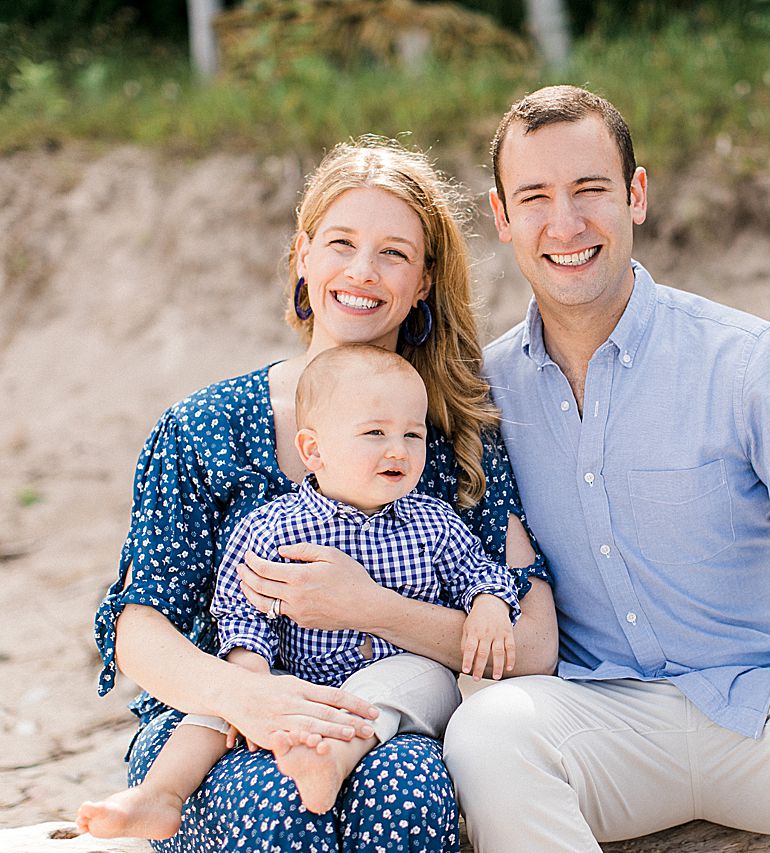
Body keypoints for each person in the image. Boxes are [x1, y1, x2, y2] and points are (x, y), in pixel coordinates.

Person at [443, 85, 770, 852]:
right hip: (601, 719)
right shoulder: (485, 391)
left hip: (769, 705)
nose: (565, 224)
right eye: (535, 198)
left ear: (637, 195)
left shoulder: (744, 358)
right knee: (487, 733)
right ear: (501, 217)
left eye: (591, 190)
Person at [92, 138, 558, 853]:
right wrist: (248, 694)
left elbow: (532, 644)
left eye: (395, 253)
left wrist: (371, 608)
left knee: (411, 790)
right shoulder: (202, 427)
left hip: (383, 715)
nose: (362, 272)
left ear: (426, 280)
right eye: (341, 243)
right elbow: (139, 624)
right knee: (277, 803)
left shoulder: (449, 434)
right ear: (302, 256)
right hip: (224, 725)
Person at [79, 344, 521, 836]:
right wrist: (251, 677)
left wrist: (489, 606)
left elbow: (482, 572)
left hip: (386, 678)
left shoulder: (433, 523)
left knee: (418, 679)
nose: (398, 449)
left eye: (412, 435)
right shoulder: (274, 528)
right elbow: (241, 608)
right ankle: (160, 794)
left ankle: (330, 757)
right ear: (313, 450)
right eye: (375, 433)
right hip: (293, 681)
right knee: (215, 703)